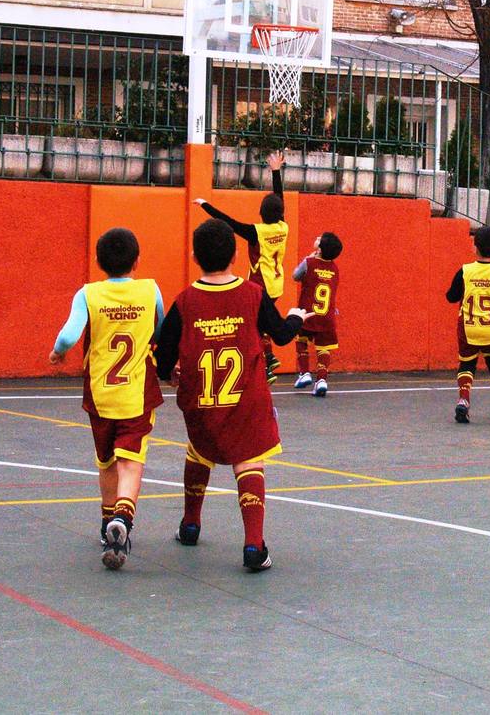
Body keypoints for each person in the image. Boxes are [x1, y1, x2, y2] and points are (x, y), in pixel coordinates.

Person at [154, 219, 307, 572]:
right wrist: (297, 317)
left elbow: (163, 357)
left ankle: (190, 524)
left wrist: (170, 373)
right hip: (245, 401)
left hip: (203, 403)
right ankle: (254, 544)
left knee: (198, 451)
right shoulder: (253, 294)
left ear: (194, 256)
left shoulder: (185, 301)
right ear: (236, 255)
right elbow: (282, 335)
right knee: (249, 461)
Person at [48, 227, 164, 571]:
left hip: (100, 394)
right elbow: (161, 327)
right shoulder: (149, 289)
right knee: (131, 460)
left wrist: (57, 353)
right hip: (137, 393)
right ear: (137, 260)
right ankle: (123, 518)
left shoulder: (88, 294)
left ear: (98, 262)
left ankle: (105, 524)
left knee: (107, 462)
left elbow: (70, 334)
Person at [193, 150, 288, 383]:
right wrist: (276, 172)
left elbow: (230, 223)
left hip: (260, 284)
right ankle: (269, 357)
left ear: (260, 213)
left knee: (252, 327)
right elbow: (280, 199)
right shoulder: (282, 228)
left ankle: (266, 363)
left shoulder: (257, 232)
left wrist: (206, 205)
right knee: (260, 324)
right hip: (276, 284)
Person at [445, 226, 490, 423]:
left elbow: (451, 297)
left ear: (475, 247)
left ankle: (464, 400)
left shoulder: (465, 271)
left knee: (467, 364)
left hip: (468, 327)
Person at [292, 232, 342, 398]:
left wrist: (307, 258)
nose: (317, 238)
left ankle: (304, 373)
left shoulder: (309, 262)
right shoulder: (335, 269)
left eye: (319, 239)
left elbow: (295, 276)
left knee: (301, 340)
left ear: (320, 248)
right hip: (327, 316)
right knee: (324, 349)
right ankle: (321, 380)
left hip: (308, 313)